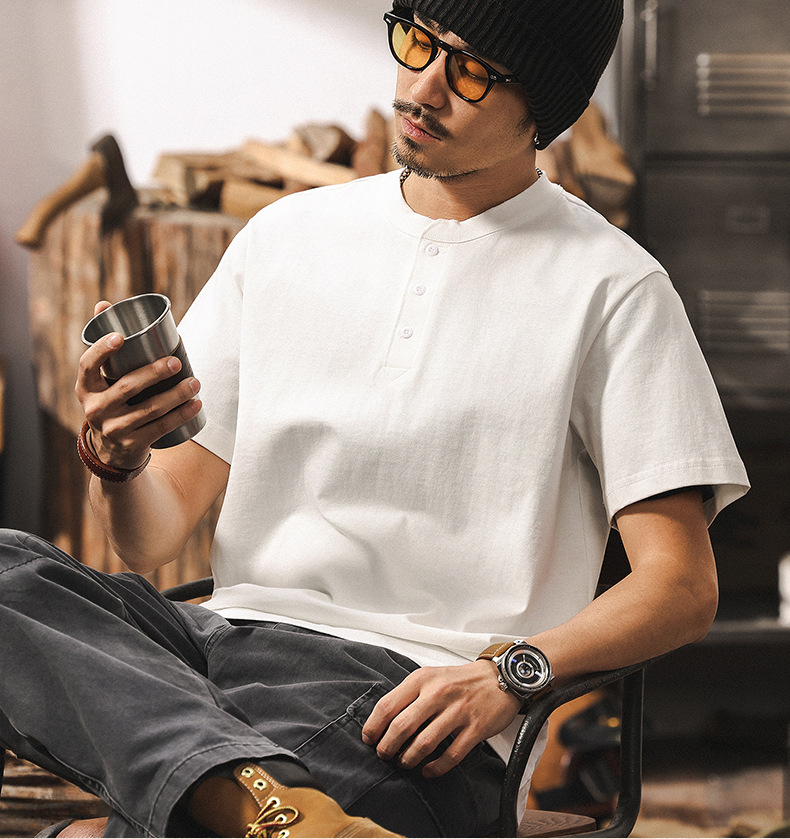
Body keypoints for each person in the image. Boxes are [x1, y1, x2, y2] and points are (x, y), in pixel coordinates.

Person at [0, 0, 749, 836]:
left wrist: (511, 673)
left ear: (544, 105)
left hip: (406, 698)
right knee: (7, 572)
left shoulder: (615, 289)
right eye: (417, 41)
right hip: (211, 652)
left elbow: (681, 585)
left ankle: (166, 812)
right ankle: (250, 801)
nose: (422, 87)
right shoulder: (285, 237)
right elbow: (150, 535)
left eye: (471, 71)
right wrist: (117, 461)